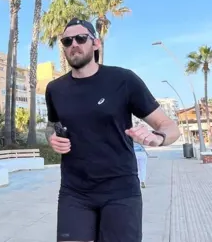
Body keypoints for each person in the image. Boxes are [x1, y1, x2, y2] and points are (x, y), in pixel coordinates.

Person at [45, 18, 180, 242]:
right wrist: (52, 137)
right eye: (67, 41)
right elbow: (53, 124)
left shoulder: (123, 80)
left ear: (96, 43)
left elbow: (170, 127)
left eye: (81, 38)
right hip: (74, 192)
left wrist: (158, 137)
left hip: (121, 191)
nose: (74, 44)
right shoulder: (55, 89)